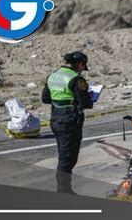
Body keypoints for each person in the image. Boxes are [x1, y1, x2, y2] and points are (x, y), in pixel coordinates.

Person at [41, 51, 93, 194]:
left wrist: (62, 99)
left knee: (64, 156)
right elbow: (85, 103)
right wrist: (89, 96)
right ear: (80, 64)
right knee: (67, 160)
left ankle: (65, 190)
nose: (83, 69)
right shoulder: (76, 79)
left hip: (56, 119)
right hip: (70, 121)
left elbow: (45, 98)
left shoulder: (53, 75)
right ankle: (64, 191)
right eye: (83, 66)